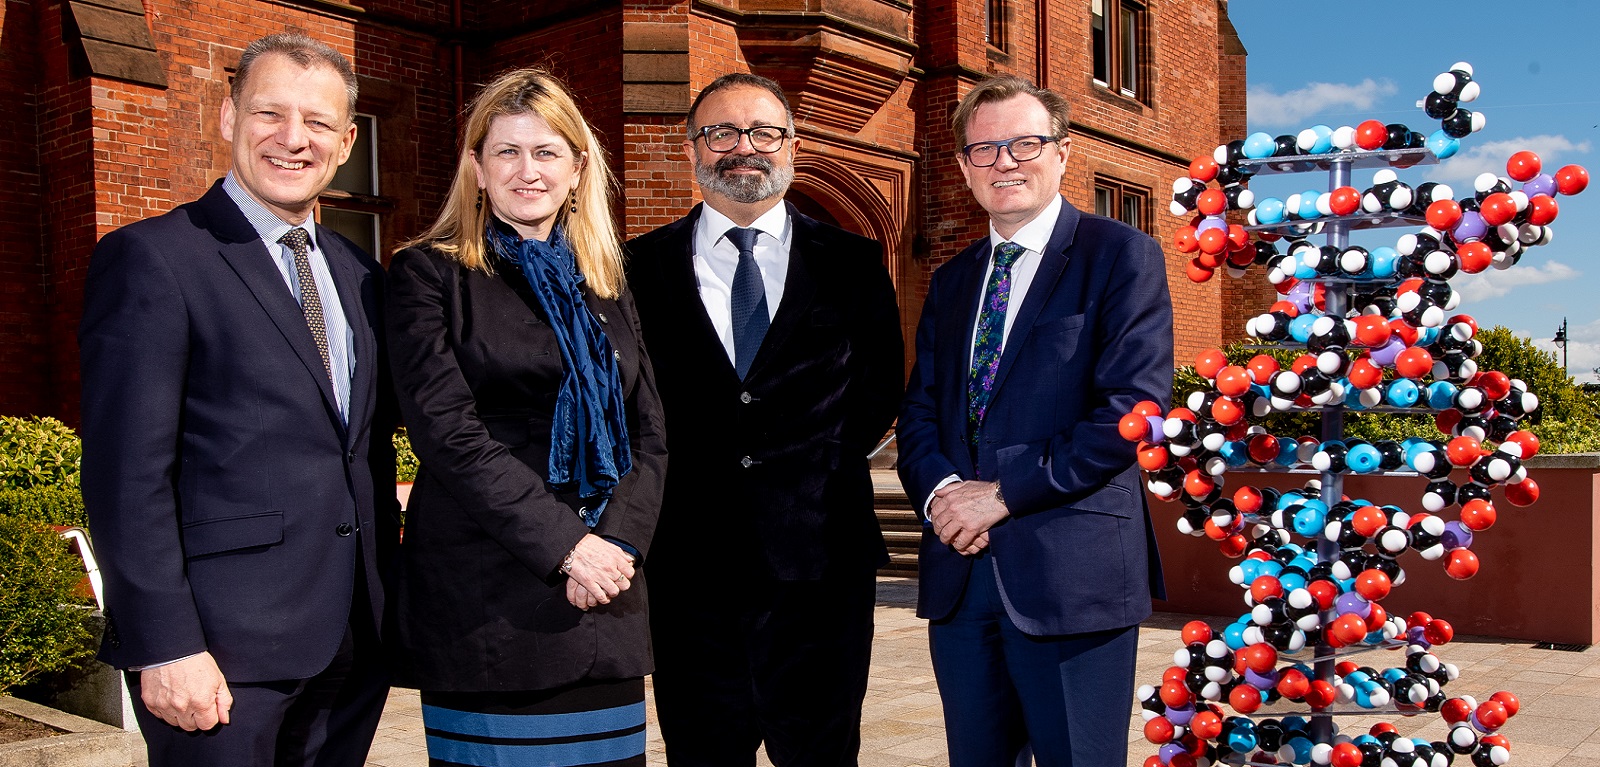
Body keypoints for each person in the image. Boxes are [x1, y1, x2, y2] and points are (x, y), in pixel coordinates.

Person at [78, 33, 397, 766]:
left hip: (353, 642)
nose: (293, 139)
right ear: (227, 118)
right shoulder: (156, 258)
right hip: (220, 660)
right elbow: (127, 474)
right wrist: (165, 644)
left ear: (346, 140)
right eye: (269, 113)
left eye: (317, 123)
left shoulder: (357, 273)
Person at [385, 67, 666, 766]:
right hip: (491, 599)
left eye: (546, 152)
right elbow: (447, 434)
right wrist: (569, 546)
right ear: (476, 168)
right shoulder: (428, 276)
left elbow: (649, 433)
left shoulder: (607, 282)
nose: (527, 170)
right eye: (506, 151)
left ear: (577, 168)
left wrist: (618, 547)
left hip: (607, 594)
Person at [625, 72, 903, 766]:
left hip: (820, 564)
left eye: (763, 132)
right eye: (721, 132)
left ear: (792, 145)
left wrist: (806, 470)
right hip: (688, 570)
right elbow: (628, 399)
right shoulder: (638, 266)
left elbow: (877, 387)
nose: (742, 148)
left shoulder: (854, 261)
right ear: (692, 147)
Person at [896, 75, 1173, 766]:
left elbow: (1131, 412)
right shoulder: (956, 279)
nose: (1005, 162)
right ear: (962, 167)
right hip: (962, 580)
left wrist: (1000, 493)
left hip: (1070, 579)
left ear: (1063, 152)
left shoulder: (1120, 256)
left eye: (1025, 142)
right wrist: (941, 496)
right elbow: (921, 411)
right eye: (984, 149)